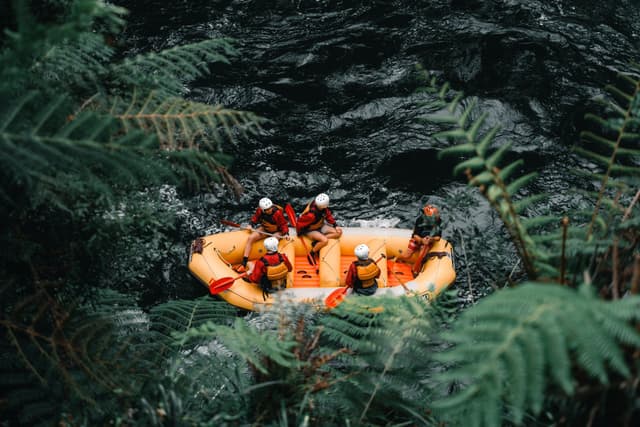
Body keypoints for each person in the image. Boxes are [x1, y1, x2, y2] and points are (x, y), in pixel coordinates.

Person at [236, 197, 289, 272]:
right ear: (263, 210)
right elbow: (255, 218)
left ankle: (268, 263)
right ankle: (244, 263)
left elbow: (283, 224)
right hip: (265, 229)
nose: (269, 210)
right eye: (267, 209)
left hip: (277, 231)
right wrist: (251, 224)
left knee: (272, 241)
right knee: (251, 238)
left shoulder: (277, 213)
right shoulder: (259, 211)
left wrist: (286, 233)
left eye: (270, 208)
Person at [295, 193, 343, 262]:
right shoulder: (311, 215)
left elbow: (328, 215)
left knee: (338, 233)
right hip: (310, 231)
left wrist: (335, 225)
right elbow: (299, 223)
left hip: (320, 225)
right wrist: (299, 232)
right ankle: (312, 253)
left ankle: (317, 242)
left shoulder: (322, 208)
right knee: (325, 240)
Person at [399, 204, 442, 276]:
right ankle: (398, 259)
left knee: (422, 254)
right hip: (419, 239)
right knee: (408, 254)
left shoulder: (438, 221)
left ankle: (416, 269)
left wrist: (431, 239)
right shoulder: (420, 220)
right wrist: (422, 240)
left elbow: (438, 237)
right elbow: (415, 235)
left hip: (429, 241)